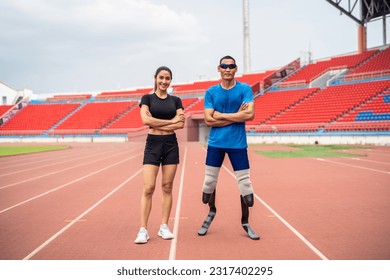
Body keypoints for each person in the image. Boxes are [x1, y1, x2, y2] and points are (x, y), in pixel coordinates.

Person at [198, 55, 260, 240]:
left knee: (246, 186)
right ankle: (211, 211)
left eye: (231, 66)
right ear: (219, 69)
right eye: (224, 66)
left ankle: (246, 221)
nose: (227, 69)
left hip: (238, 144)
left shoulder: (245, 89)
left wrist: (220, 116)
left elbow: (250, 116)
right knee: (209, 182)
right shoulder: (211, 92)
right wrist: (236, 115)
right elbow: (208, 120)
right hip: (216, 143)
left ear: (235, 69)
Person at [134, 66, 185, 244]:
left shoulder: (176, 100)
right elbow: (145, 120)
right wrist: (170, 122)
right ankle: (143, 230)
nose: (164, 81)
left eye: (168, 78)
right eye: (161, 78)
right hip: (153, 144)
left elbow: (180, 124)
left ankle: (164, 226)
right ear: (155, 78)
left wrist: (159, 123)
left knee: (167, 186)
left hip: (171, 145)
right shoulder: (147, 98)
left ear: (171, 80)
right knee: (148, 187)